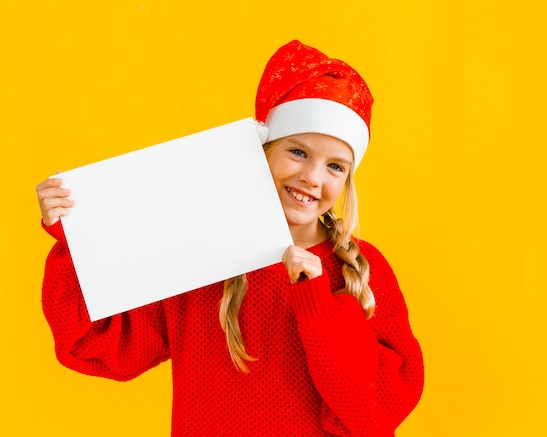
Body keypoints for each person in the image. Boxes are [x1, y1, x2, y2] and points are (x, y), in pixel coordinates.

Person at [36, 40, 424, 436]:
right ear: (264, 152)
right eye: (298, 152)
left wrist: (319, 307)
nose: (313, 177)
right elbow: (97, 345)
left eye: (336, 166)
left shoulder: (361, 271)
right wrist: (76, 243)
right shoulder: (202, 252)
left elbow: (373, 412)